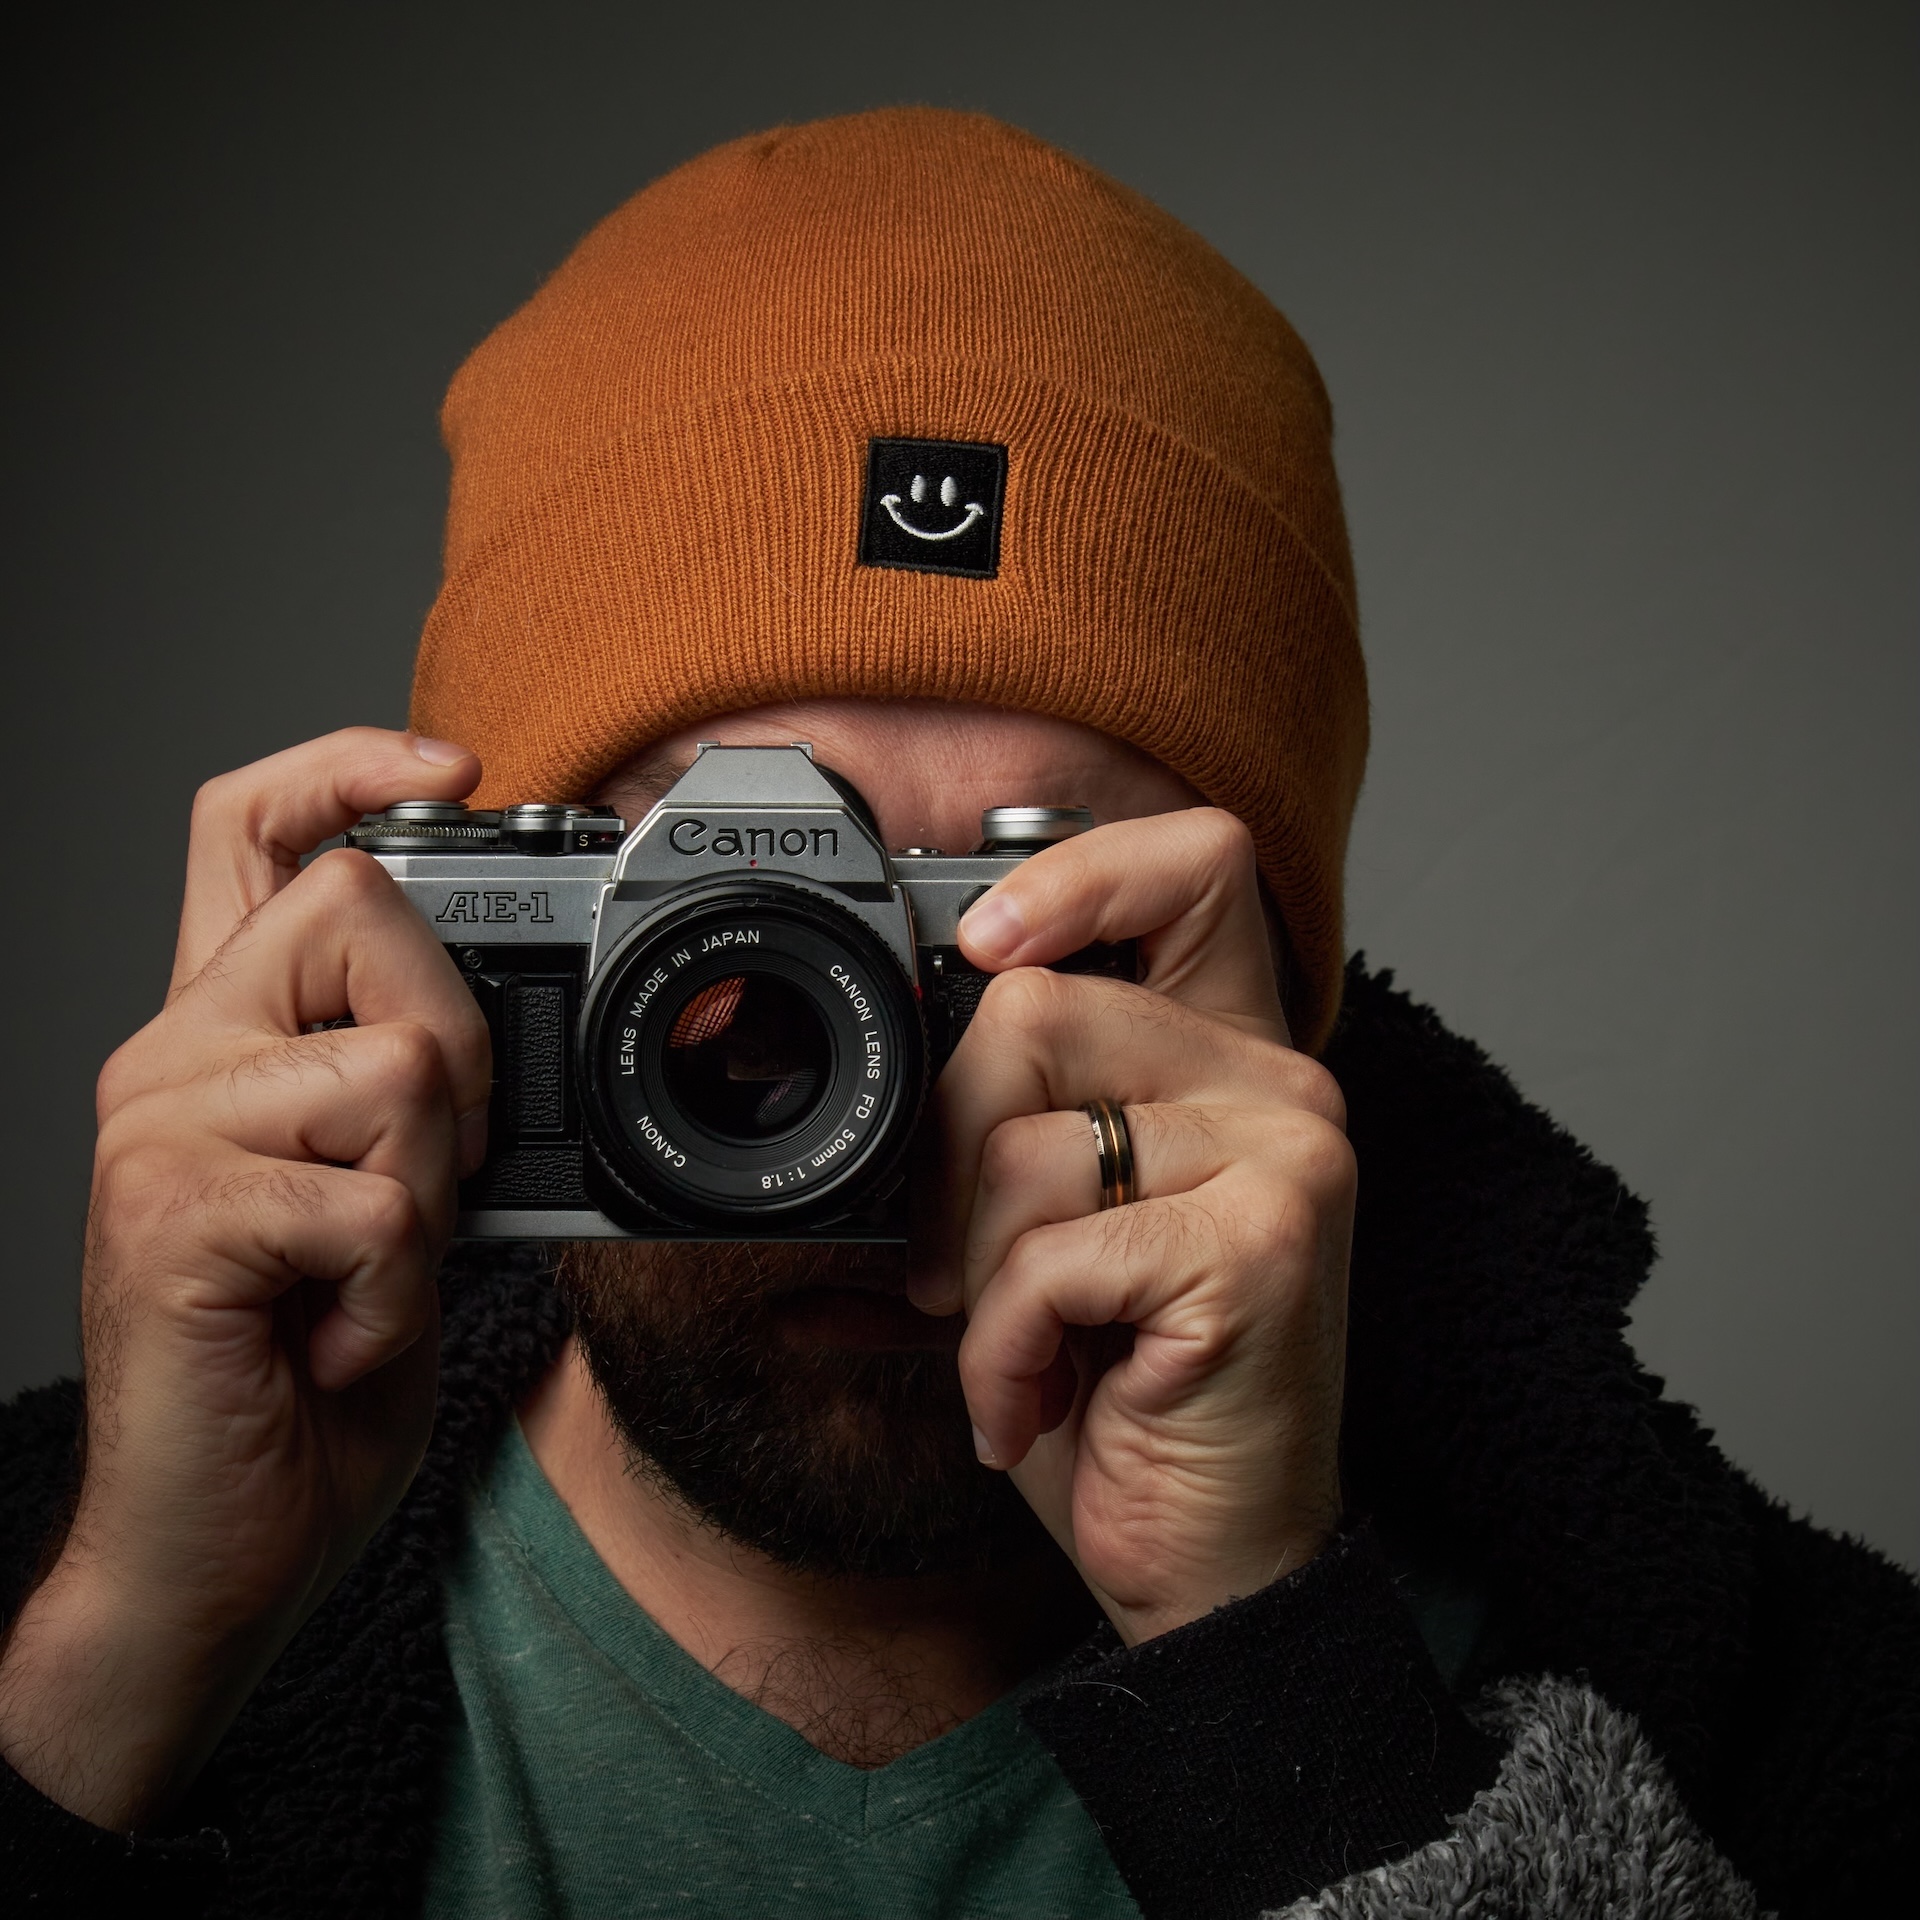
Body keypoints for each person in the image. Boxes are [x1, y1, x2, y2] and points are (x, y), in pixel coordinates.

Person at [0, 108, 1913, 1920]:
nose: (877, 1095)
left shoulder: (1796, 1728)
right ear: (486, 945)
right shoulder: (73, 1606)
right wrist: (128, 1659)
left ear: (1281, 1011)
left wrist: (1280, 1678)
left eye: (1031, 930)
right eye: (746, 946)